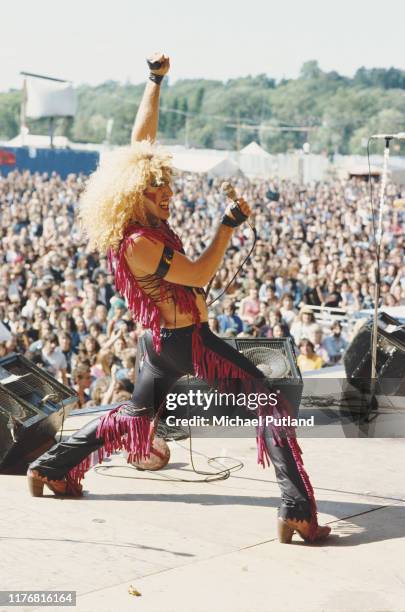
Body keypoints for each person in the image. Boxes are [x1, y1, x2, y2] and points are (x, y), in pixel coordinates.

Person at [27, 53, 330, 544]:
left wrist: (154, 81)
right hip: (185, 340)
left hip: (158, 343)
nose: (167, 194)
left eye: (168, 185)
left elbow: (139, 143)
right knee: (271, 404)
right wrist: (227, 225)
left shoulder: (142, 221)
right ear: (131, 196)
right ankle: (296, 510)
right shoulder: (138, 242)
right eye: (156, 190)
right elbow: (201, 270)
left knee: (135, 416)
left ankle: (51, 467)